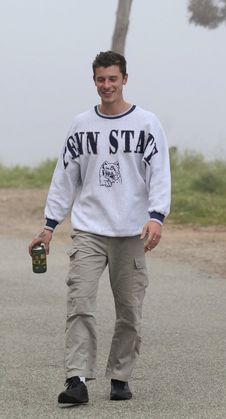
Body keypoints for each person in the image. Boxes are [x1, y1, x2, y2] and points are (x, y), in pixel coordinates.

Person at [29, 50, 171, 407]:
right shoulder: (80, 126)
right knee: (80, 303)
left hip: (131, 231)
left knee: (129, 310)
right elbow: (64, 179)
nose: (106, 85)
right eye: (100, 79)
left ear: (125, 79)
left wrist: (156, 216)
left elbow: (160, 174)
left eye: (112, 78)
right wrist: (49, 226)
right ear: (93, 81)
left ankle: (120, 376)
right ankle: (76, 378)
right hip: (89, 230)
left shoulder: (147, 124)